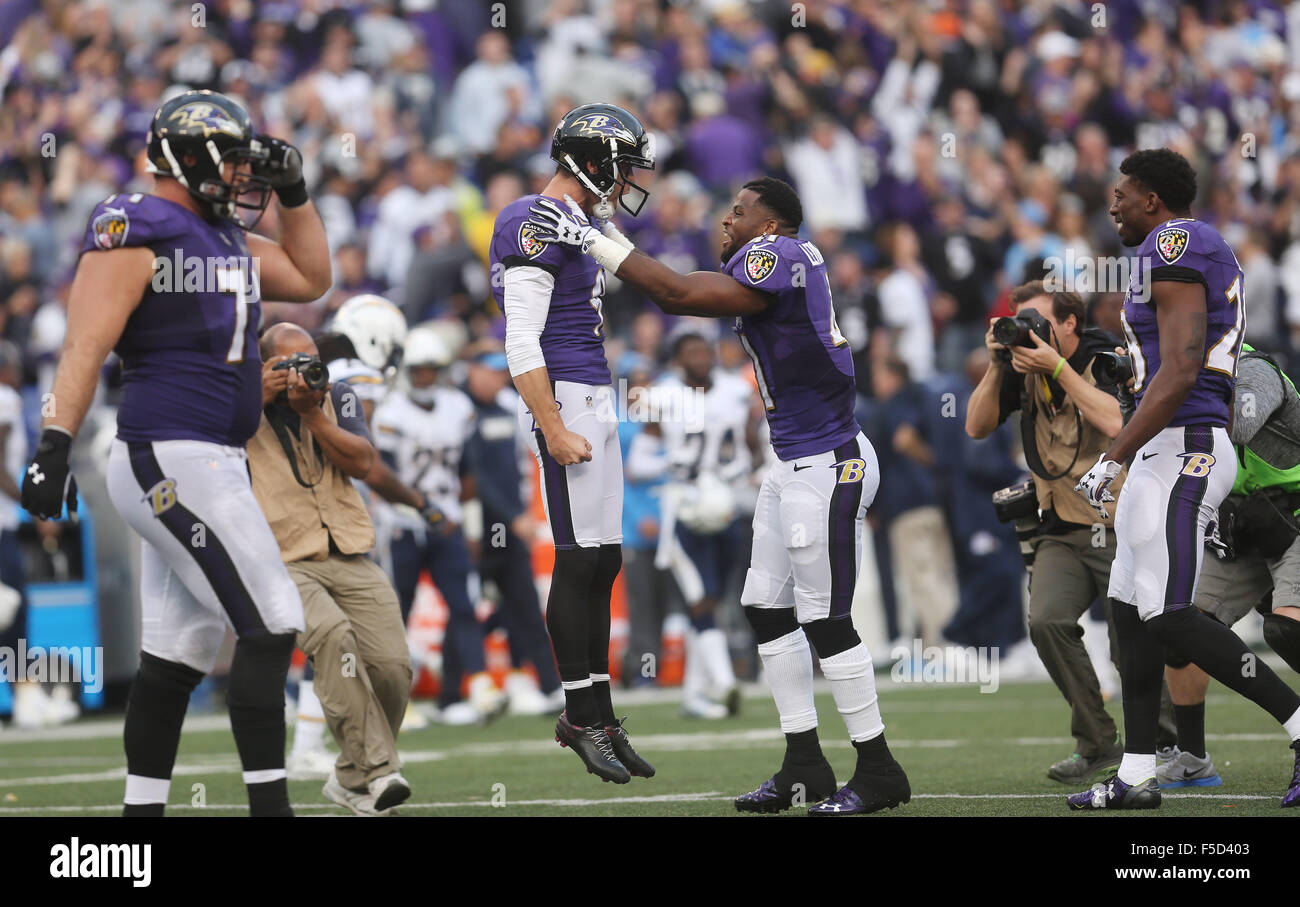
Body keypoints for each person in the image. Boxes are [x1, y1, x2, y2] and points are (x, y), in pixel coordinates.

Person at [529, 175, 910, 815]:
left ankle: (878, 768)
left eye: (738, 212)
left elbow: (677, 293)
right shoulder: (770, 265)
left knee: (826, 618)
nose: (725, 220)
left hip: (829, 461)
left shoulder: (780, 254)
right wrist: (608, 232)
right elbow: (675, 282)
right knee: (764, 605)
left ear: (769, 225)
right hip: (792, 462)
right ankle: (805, 762)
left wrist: (593, 238)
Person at [20, 89, 332, 816]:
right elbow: (86, 344)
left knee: (177, 655)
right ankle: (271, 810)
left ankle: (140, 819)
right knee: (274, 618)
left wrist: (296, 193)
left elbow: (314, 278)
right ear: (185, 159)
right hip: (169, 455)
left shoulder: (225, 236)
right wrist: (52, 444)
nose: (240, 178)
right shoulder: (140, 227)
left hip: (208, 459)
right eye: (230, 164)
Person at [1070, 148, 1300, 809]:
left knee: (1170, 614)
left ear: (1151, 199)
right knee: (1128, 610)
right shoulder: (1178, 247)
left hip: (1185, 444)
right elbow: (1168, 362)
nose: (1111, 204)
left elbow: (1182, 367)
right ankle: (1137, 773)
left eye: (1122, 193)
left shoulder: (1175, 241)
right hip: (1169, 444)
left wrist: (1114, 452)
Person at [490, 103, 656, 783]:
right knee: (578, 559)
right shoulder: (533, 217)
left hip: (593, 392)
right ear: (591, 161)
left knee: (605, 558)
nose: (629, 180)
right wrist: (553, 423)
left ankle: (603, 715)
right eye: (622, 166)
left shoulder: (583, 221)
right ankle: (580, 714)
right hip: (563, 395)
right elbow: (519, 337)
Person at [965, 280, 1139, 784]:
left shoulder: (1102, 354)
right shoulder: (1020, 367)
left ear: (1069, 323)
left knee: (1130, 643)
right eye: (1023, 322)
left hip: (1118, 522)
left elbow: (1115, 421)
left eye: (1040, 322)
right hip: (1059, 526)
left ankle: (1166, 745)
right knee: (1045, 621)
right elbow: (975, 427)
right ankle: (1098, 742)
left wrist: (1056, 367)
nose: (1030, 333)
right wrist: (1001, 362)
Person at [250, 324, 411, 816]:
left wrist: (312, 415)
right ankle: (380, 773)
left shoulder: (335, 396)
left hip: (349, 548)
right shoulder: (236, 402)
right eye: (289, 364)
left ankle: (348, 779)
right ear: (265, 365)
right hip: (282, 557)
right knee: (333, 639)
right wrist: (255, 394)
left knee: (393, 667)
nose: (304, 372)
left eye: (311, 360)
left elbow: (364, 463)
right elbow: (213, 441)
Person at [1157, 343, 1300, 788]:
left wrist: (1171, 390)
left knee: (1287, 629)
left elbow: (1239, 424)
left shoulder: (1254, 369)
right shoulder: (1172, 371)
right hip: (1245, 521)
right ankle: (1193, 759)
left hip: (1295, 516)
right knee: (1181, 627)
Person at [376, 326, 506, 724]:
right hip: (403, 524)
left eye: (432, 370)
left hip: (446, 522)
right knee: (399, 612)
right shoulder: (390, 413)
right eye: (420, 371)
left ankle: (480, 685)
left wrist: (468, 526)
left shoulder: (456, 407)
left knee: (465, 604)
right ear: (407, 373)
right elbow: (382, 476)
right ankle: (399, 700)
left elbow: (468, 473)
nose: (426, 378)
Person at [636, 331, 753, 719]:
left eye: (705, 350)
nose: (701, 357)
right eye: (692, 352)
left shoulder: (737, 390)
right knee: (699, 598)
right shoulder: (662, 396)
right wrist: (673, 463)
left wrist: (750, 467)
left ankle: (693, 696)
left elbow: (752, 441)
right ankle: (723, 683)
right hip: (684, 511)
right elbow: (637, 464)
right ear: (677, 359)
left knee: (714, 601)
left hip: (727, 508)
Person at [463, 349, 564, 715]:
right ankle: (452, 693)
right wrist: (511, 517)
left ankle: (549, 686)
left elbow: (513, 474)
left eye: (498, 374)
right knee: (467, 608)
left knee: (522, 605)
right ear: (473, 372)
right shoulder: (460, 410)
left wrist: (519, 514)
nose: (495, 380)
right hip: (478, 530)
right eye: (488, 373)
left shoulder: (507, 408)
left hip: (509, 528)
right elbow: (477, 479)